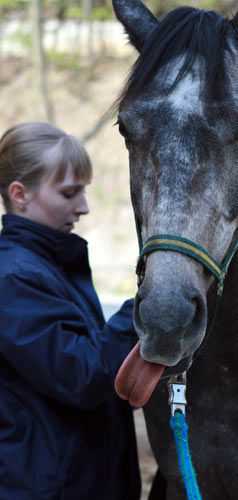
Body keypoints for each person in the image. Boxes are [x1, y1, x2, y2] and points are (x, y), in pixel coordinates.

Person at [0, 122, 141, 500]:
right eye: (69, 193)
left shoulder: (47, 265)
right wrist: (146, 308)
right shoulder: (13, 278)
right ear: (20, 195)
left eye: (84, 191)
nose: (84, 207)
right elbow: (81, 373)